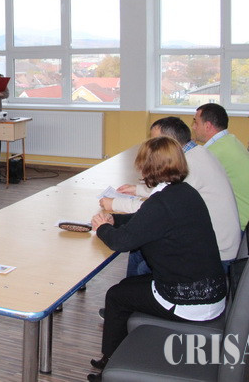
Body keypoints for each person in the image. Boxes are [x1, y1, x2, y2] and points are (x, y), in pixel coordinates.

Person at [87, 137, 226, 381]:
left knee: (116, 296)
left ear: (146, 168)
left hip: (188, 301)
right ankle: (119, 355)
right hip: (210, 290)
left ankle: (110, 365)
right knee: (127, 287)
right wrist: (115, 220)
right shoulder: (185, 193)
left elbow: (122, 242)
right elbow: (146, 221)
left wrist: (102, 228)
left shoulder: (161, 203)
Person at [102, 117, 241, 275]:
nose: (152, 145)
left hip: (216, 255)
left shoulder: (191, 165)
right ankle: (131, 285)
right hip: (211, 242)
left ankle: (133, 287)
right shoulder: (196, 154)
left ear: (168, 144)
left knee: (141, 252)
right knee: (140, 248)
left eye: (155, 141)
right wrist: (138, 190)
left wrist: (115, 204)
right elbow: (166, 193)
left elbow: (156, 209)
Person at [193, 103, 249, 229]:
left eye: (196, 123)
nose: (193, 127)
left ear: (207, 126)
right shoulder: (230, 141)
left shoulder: (214, 152)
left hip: (243, 226)